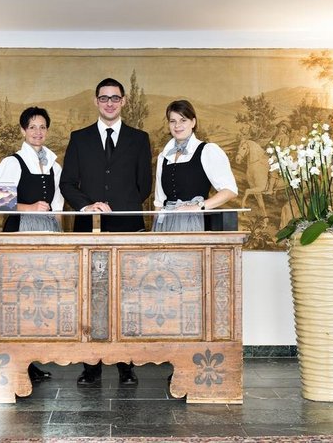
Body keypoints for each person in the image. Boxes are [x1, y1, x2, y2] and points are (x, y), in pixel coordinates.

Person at [59, 77, 152, 386]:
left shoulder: (139, 139)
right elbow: (67, 184)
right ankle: (91, 366)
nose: (109, 103)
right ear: (96, 101)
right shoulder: (79, 138)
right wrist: (89, 206)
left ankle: (126, 364)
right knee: (89, 296)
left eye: (115, 97)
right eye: (104, 98)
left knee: (128, 296)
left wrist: (117, 207)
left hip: (127, 227)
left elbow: (144, 185)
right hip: (89, 229)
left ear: (123, 101)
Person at [0, 106, 64, 382]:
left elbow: (58, 207)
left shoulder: (54, 165)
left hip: (48, 233)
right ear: (23, 130)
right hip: (20, 232)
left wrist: (59, 238)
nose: (38, 132)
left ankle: (31, 360)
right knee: (18, 297)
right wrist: (30, 207)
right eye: (32, 127)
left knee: (41, 299)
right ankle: (17, 362)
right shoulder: (12, 162)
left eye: (42, 127)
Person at [153, 100, 237, 232]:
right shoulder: (163, 156)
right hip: (165, 223)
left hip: (194, 222)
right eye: (172, 121)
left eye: (183, 120)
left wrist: (198, 207)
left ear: (193, 122)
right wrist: (155, 232)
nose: (177, 125)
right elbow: (159, 201)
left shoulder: (207, 150)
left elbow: (230, 190)